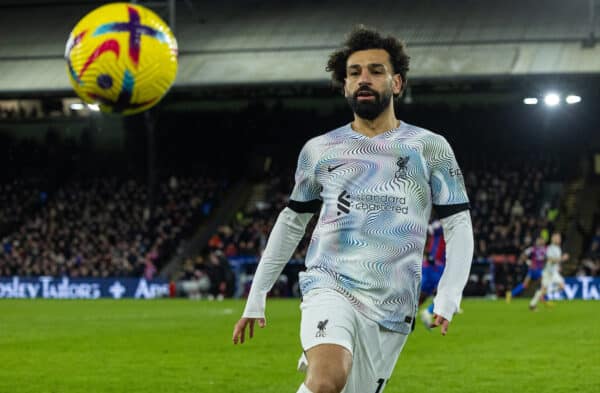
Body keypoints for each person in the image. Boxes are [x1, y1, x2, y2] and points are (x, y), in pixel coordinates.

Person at [232, 25, 474, 393]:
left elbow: (458, 224)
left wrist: (449, 293)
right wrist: (257, 294)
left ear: (397, 83)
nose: (364, 79)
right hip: (329, 284)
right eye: (355, 73)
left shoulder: (430, 147)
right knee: (326, 381)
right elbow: (292, 221)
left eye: (376, 71)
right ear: (343, 85)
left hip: (393, 305)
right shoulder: (320, 150)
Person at [529, 232, 568, 311]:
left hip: (554, 272)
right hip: (548, 273)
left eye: (559, 238)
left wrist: (558, 266)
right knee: (544, 289)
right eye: (557, 238)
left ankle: (541, 294)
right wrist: (562, 259)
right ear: (553, 239)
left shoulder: (558, 248)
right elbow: (550, 260)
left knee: (562, 286)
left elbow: (556, 262)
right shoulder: (550, 248)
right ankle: (532, 305)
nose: (559, 239)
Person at [508, 235, 547, 300]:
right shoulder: (533, 249)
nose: (540, 241)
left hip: (539, 269)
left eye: (542, 240)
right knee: (543, 282)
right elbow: (523, 255)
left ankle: (510, 294)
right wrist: (528, 262)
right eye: (539, 240)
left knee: (525, 285)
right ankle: (543, 297)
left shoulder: (546, 249)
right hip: (534, 269)